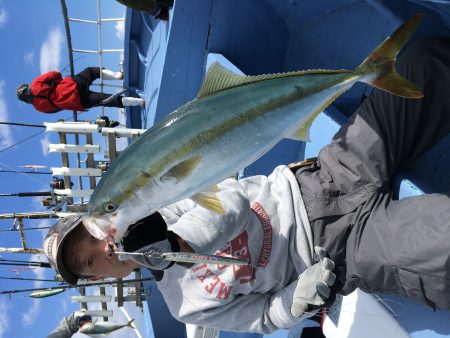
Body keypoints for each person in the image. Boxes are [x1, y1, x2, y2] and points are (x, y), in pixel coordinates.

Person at [44, 35, 450, 334]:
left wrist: (176, 245)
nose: (103, 247)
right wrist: (295, 302)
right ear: (99, 278)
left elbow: (231, 199)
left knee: (424, 61)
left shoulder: (164, 205)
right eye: (89, 262)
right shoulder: (184, 305)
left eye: (91, 237)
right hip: (340, 251)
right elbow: (260, 317)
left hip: (324, 176)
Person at [16, 67, 145, 114]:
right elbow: (54, 74)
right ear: (26, 87)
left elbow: (56, 109)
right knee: (92, 72)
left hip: (78, 103)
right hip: (73, 85)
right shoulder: (35, 84)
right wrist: (58, 82)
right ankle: (117, 75)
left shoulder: (38, 108)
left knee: (108, 100)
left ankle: (139, 102)